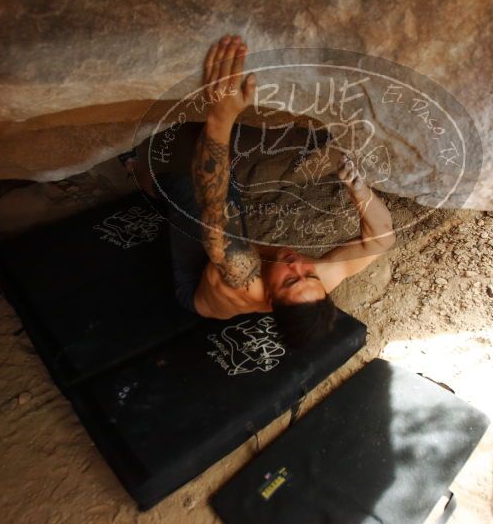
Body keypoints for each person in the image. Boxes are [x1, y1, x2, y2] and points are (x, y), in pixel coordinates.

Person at [126, 35, 395, 348]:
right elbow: (383, 238)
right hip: (231, 253)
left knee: (189, 186)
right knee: (228, 182)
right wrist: (359, 191)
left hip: (196, 285)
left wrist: (222, 113)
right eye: (309, 276)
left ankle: (137, 169)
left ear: (270, 297)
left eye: (291, 279)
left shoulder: (242, 275)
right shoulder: (321, 278)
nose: (299, 265)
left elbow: (211, 196)